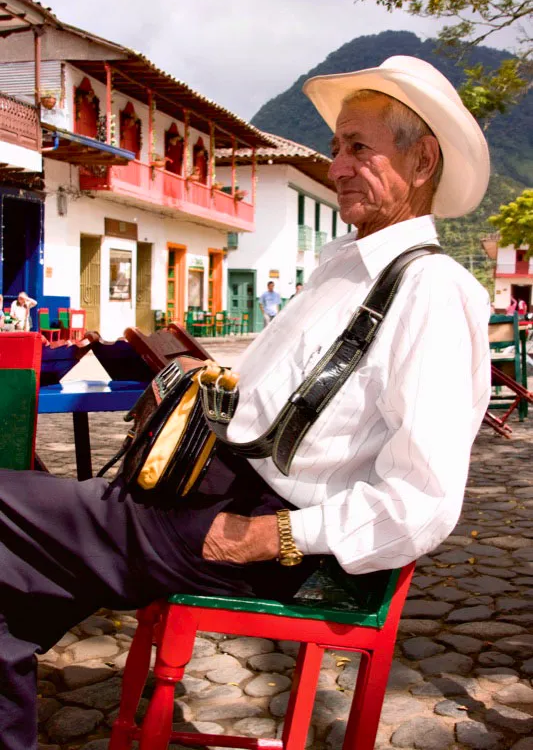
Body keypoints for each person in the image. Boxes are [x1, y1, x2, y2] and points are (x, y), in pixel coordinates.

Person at [0, 56, 492, 750]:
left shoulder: (432, 293)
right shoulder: (339, 269)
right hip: (204, 493)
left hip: (260, 530)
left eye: (359, 148)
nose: (338, 167)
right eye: (333, 149)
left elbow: (424, 498)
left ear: (421, 162)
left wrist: (269, 537)